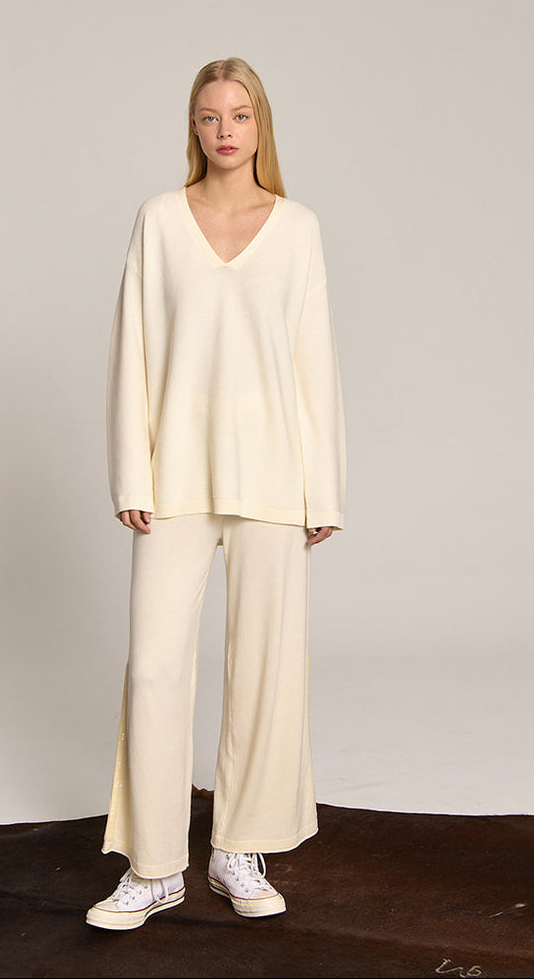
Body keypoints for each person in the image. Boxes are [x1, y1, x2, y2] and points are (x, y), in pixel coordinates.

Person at [85, 56, 346, 931]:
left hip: (274, 473)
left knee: (267, 666)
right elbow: (134, 347)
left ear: (260, 124)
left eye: (239, 114)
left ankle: (241, 846)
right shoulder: (160, 220)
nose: (225, 130)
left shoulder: (298, 228)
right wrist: (133, 470)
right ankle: (155, 865)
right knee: (155, 664)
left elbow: (314, 362)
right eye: (209, 116)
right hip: (176, 474)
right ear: (193, 127)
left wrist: (323, 490)